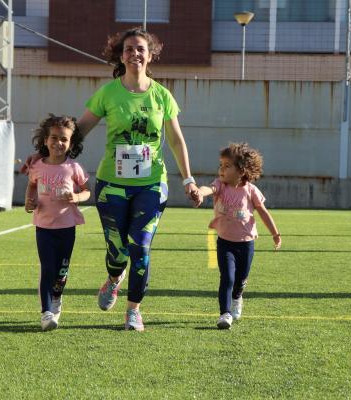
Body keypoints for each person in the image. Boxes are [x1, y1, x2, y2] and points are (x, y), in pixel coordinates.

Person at [73, 27, 200, 331]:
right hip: (112, 184)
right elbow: (79, 131)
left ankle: (134, 310)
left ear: (151, 54)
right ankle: (115, 278)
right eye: (129, 49)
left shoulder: (161, 95)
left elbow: (176, 140)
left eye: (140, 49)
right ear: (121, 55)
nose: (135, 54)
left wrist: (188, 180)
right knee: (117, 250)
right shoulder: (108, 93)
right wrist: (49, 156)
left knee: (140, 247)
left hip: (151, 184)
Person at [196, 142, 281, 330]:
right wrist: (199, 193)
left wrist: (275, 233)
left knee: (241, 279)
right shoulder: (219, 185)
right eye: (220, 165)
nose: (221, 170)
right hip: (225, 243)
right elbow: (207, 189)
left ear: (241, 170)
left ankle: (237, 297)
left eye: (227, 166)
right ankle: (225, 313)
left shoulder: (251, 190)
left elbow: (263, 212)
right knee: (227, 277)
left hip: (246, 244)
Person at [24, 114, 90, 331]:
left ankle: (57, 298)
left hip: (67, 227)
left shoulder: (73, 168)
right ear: (45, 140)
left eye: (64, 139)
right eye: (54, 138)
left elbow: (87, 191)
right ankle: (46, 313)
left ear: (70, 143)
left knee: (61, 271)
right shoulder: (37, 166)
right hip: (43, 227)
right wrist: (29, 200)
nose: (58, 143)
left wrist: (77, 197)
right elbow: (32, 185)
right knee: (47, 268)